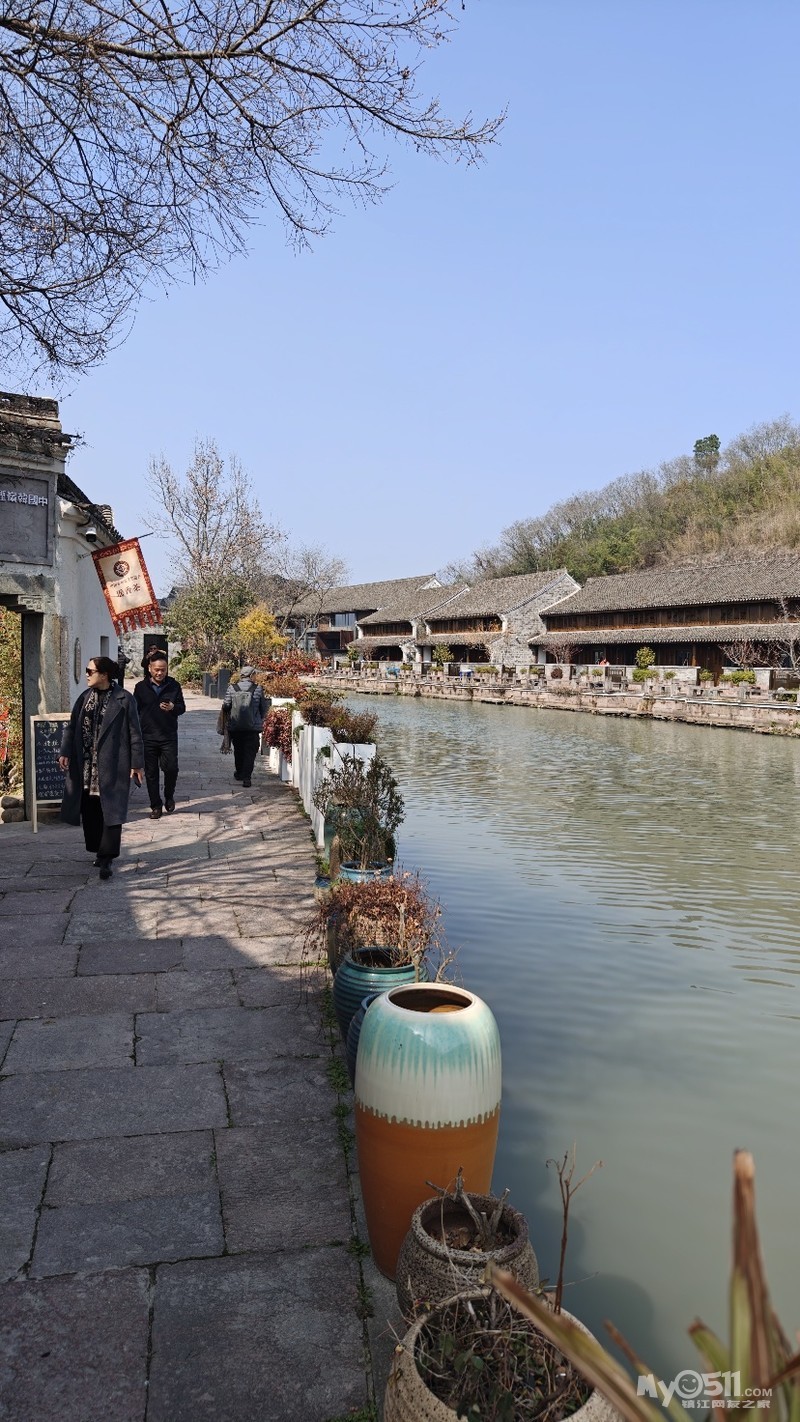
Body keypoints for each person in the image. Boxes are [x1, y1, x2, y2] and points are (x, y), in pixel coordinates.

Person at [58, 655, 144, 880]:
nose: (87, 675)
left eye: (90, 671)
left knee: (112, 811)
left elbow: (135, 733)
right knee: (91, 810)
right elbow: (72, 727)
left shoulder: (124, 699)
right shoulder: (84, 697)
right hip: (86, 766)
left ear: (104, 675)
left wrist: (137, 764)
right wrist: (65, 752)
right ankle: (98, 850)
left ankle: (107, 857)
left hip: (114, 764)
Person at [133, 654, 186, 819]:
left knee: (171, 768)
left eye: (163, 670)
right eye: (157, 670)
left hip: (168, 735)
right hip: (147, 736)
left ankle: (169, 795)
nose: (160, 673)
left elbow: (182, 707)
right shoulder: (140, 687)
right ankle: (155, 805)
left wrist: (173, 707)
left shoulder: (174, 685)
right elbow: (134, 711)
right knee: (151, 773)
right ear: (150, 668)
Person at [222, 666, 269, 787]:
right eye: (255, 674)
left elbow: (226, 706)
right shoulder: (257, 689)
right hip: (252, 727)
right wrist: (260, 720)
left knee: (238, 750)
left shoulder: (232, 688)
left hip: (236, 726)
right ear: (251, 675)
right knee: (250, 752)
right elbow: (263, 708)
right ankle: (247, 778)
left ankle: (239, 773)